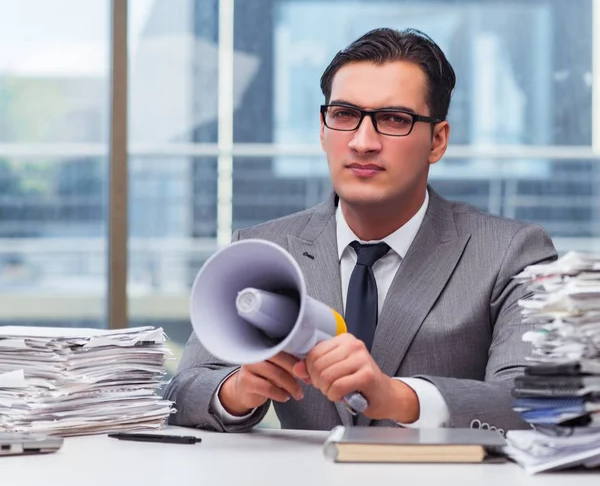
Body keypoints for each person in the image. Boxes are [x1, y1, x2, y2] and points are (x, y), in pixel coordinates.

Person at [164, 27, 557, 433]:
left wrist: (400, 398)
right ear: (322, 129)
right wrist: (238, 390)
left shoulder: (512, 252)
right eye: (345, 115)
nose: (362, 142)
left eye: (393, 119)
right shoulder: (260, 250)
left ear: (437, 140)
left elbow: (533, 401)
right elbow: (181, 392)